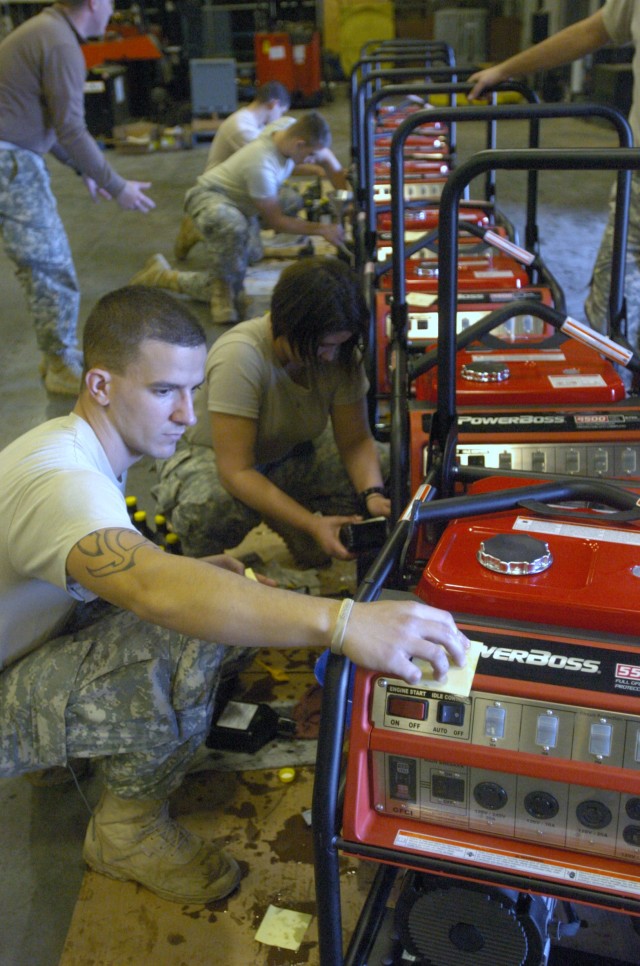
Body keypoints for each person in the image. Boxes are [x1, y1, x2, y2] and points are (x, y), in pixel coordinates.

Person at [0, 284, 469, 905]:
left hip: (23, 646)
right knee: (186, 628)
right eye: (164, 390)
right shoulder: (63, 482)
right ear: (101, 385)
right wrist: (345, 621)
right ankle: (125, 832)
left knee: (219, 596)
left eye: (191, 391)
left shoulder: (75, 448)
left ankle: (68, 748)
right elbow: (153, 590)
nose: (188, 415)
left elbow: (117, 574)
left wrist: (194, 570)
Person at [153, 256, 389, 565]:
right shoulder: (240, 356)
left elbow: (355, 442)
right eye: (322, 345)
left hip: (285, 452)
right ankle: (204, 572)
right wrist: (310, 523)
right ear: (287, 328)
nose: (330, 357)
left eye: (338, 345)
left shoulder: (339, 354)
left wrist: (371, 495)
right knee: (212, 506)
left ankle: (295, 523)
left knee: (389, 464)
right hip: (212, 459)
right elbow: (236, 471)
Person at [468, 1, 640, 389]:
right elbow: (590, 32)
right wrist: (505, 70)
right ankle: (612, 409)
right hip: (637, 183)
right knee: (606, 312)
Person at [0, 0, 155, 396]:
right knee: (50, 265)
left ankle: (55, 355)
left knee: (42, 264)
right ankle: (60, 364)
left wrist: (85, 169)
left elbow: (43, 123)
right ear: (93, 3)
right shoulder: (58, 43)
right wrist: (116, 184)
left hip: (14, 155)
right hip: (10, 162)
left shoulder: (46, 32)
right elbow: (70, 126)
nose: (112, 11)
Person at [130, 112, 347, 324]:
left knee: (286, 207)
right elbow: (276, 221)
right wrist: (322, 229)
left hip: (243, 202)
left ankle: (201, 232)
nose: (311, 161)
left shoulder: (288, 128)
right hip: (211, 198)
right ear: (299, 144)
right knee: (232, 284)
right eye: (310, 155)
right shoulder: (261, 165)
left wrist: (348, 201)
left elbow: (328, 161)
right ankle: (163, 275)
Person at [173, 80, 292, 261]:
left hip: (241, 185)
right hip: (222, 193)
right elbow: (267, 164)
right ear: (273, 104)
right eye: (281, 112)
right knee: (244, 251)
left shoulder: (257, 123)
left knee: (254, 253)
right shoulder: (241, 127)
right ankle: (197, 228)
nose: (280, 119)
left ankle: (241, 231)